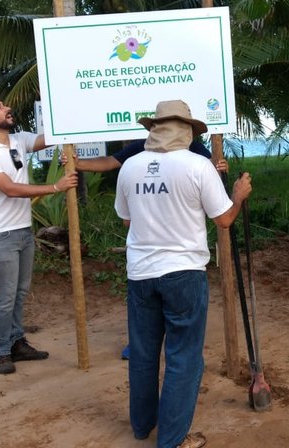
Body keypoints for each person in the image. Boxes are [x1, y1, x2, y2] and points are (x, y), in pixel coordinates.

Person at [114, 100, 252, 448]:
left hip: (140, 273)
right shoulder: (198, 165)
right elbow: (222, 220)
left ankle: (142, 426)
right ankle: (172, 439)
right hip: (184, 273)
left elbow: (127, 219)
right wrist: (237, 196)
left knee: (144, 354)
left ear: (154, 128)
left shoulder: (130, 166)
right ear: (187, 129)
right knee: (184, 358)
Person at [65, 138, 228, 362]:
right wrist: (79, 164)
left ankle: (156, 349)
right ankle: (149, 348)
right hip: (158, 257)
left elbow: (212, 168)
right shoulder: (143, 146)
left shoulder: (193, 147)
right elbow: (111, 162)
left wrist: (219, 169)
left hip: (172, 255)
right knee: (166, 333)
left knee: (166, 322)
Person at [0, 93, 78, 375]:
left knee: (19, 293)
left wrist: (71, 111)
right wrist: (56, 187)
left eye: (3, 105)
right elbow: (10, 189)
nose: (7, 109)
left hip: (22, 230)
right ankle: (1, 351)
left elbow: (47, 138)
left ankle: (17, 343)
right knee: (5, 296)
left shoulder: (18, 141)